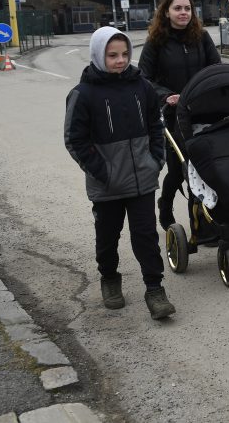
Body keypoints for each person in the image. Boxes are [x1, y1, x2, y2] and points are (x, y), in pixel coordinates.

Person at [64, 27, 176, 320]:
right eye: (112, 55)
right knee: (107, 237)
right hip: (107, 185)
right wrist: (104, 172)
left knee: (145, 237)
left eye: (125, 54)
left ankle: (155, 289)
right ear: (98, 55)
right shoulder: (83, 94)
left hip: (142, 180)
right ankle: (110, 279)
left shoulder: (142, 88)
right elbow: (75, 140)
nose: (121, 60)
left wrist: (155, 160)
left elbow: (156, 125)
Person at [139, 0, 221, 233]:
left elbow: (215, 68)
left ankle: (202, 224)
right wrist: (166, 95)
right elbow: (143, 78)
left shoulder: (202, 37)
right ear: (166, 12)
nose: (183, 13)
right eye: (178, 8)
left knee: (203, 168)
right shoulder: (156, 42)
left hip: (202, 110)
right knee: (179, 170)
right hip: (172, 113)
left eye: (187, 8)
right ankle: (165, 204)